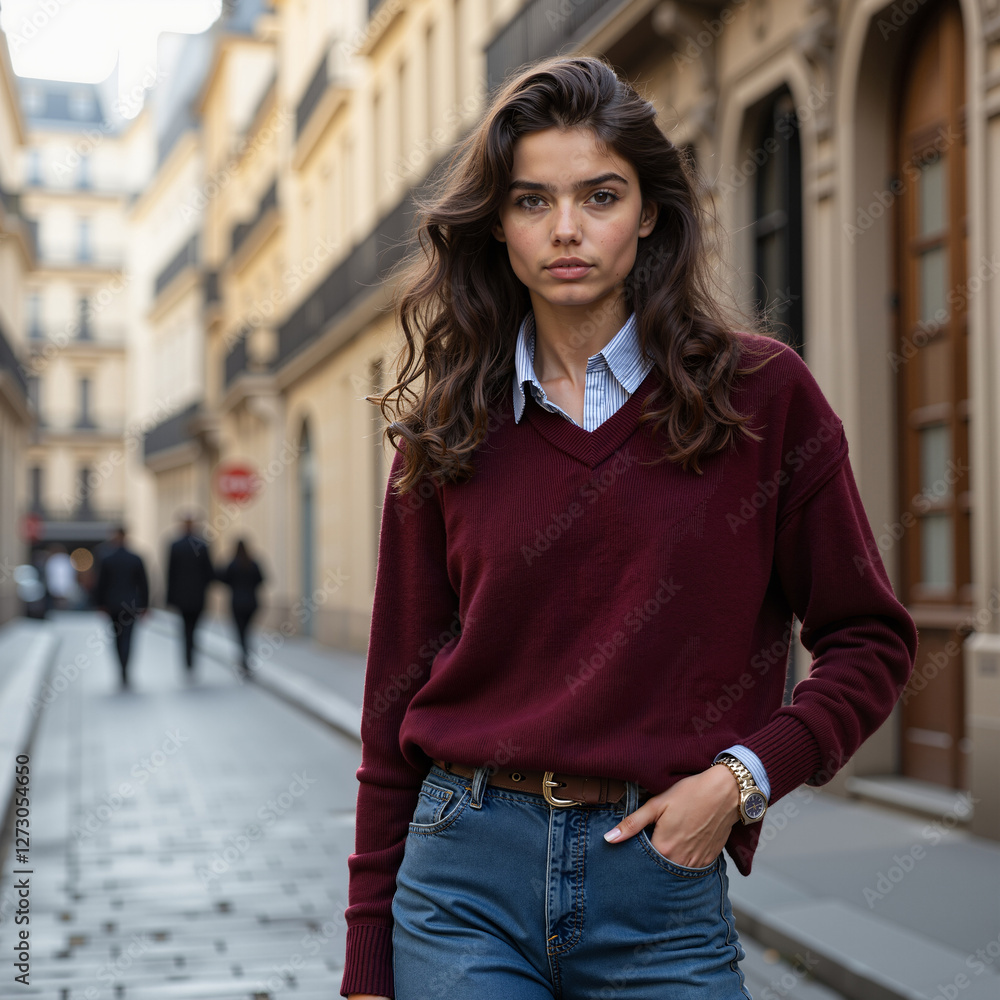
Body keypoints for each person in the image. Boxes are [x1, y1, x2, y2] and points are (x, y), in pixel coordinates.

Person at [341, 56, 918, 1000]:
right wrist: (367, 959)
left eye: (599, 195)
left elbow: (870, 641)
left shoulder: (763, 399)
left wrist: (739, 781)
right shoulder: (444, 431)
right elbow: (388, 710)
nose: (566, 229)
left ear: (649, 211)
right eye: (532, 201)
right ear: (499, 224)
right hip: (461, 886)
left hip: (661, 884)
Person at [93, 526, 149, 690]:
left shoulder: (107, 558)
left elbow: (100, 584)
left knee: (117, 638)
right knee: (128, 637)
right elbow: (144, 584)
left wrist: (100, 604)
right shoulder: (135, 558)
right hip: (131, 605)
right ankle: (125, 667)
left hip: (113, 605)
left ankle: (121, 667)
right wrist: (144, 605)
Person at [165, 514, 216, 678]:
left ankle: (187, 659)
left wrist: (169, 598)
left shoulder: (175, 545)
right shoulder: (202, 545)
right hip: (197, 596)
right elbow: (209, 573)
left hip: (181, 597)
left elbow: (170, 574)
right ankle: (190, 658)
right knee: (193, 629)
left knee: (185, 629)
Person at [217, 538, 265, 677]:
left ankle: (243, 659)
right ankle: (246, 658)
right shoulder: (253, 563)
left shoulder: (233, 564)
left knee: (240, 632)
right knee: (248, 631)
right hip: (251, 603)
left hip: (237, 603)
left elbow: (223, 579)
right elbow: (261, 580)